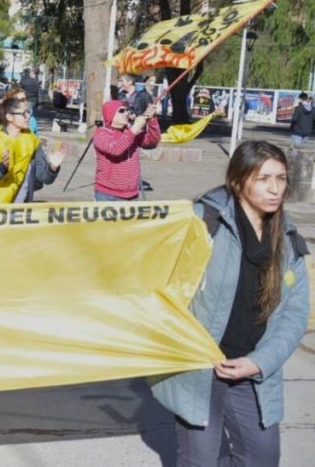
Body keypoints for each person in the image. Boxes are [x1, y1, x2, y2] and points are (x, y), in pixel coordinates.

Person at [150, 141, 309, 467]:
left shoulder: (288, 237)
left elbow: (295, 313)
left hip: (253, 369)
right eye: (263, 178)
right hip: (200, 368)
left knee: (262, 458)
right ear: (238, 180)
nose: (275, 188)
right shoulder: (202, 222)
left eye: (280, 178)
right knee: (201, 460)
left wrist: (260, 362)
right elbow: (159, 286)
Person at [0, 95, 63, 203]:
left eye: (28, 112)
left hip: (17, 211)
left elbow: (44, 178)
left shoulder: (33, 141)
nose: (28, 117)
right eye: (24, 113)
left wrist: (53, 167)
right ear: (9, 117)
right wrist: (2, 168)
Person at [92, 99, 160, 201]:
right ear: (110, 114)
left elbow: (152, 141)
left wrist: (152, 120)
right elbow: (115, 149)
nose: (126, 113)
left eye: (126, 110)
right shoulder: (101, 133)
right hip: (108, 195)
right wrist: (135, 128)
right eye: (121, 111)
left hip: (132, 194)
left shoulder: (130, 132)